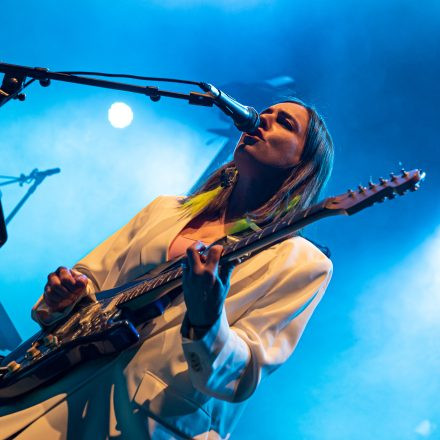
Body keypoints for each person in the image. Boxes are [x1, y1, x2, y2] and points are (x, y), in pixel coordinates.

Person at [0, 98, 334, 439]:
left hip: (138, 424)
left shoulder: (302, 263)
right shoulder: (165, 210)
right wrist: (63, 297)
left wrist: (207, 320)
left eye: (284, 123)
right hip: (43, 393)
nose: (261, 120)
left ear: (304, 165)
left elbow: (242, 375)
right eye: (264, 113)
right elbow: (90, 280)